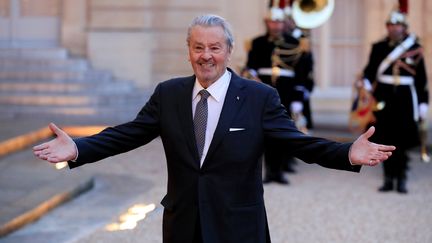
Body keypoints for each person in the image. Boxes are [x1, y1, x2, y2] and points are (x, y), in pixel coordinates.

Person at [34, 14, 395, 243]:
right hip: (182, 225)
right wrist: (79, 149)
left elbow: (296, 143)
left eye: (215, 48)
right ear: (188, 51)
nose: (206, 55)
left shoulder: (259, 97)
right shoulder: (169, 94)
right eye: (198, 47)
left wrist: (347, 152)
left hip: (238, 228)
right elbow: (128, 134)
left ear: (229, 51)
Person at [243, 2, 314, 184]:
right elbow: (250, 67)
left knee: (283, 134)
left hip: (286, 93)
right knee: (264, 135)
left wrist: (298, 99)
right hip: (262, 93)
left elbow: (301, 75)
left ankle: (280, 171)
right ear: (267, 23)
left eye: (279, 22)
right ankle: (269, 172)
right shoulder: (257, 42)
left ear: (284, 23)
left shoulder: (296, 44)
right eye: (272, 22)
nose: (275, 26)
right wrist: (250, 76)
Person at [360, 8, 428, 194]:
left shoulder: (414, 48)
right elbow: (370, 70)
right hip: (383, 96)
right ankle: (388, 178)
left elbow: (421, 79)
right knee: (383, 139)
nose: (393, 28)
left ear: (404, 27)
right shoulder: (379, 47)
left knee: (402, 141)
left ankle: (402, 178)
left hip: (406, 99)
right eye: (390, 25)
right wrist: (365, 82)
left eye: (397, 25)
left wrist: (423, 103)